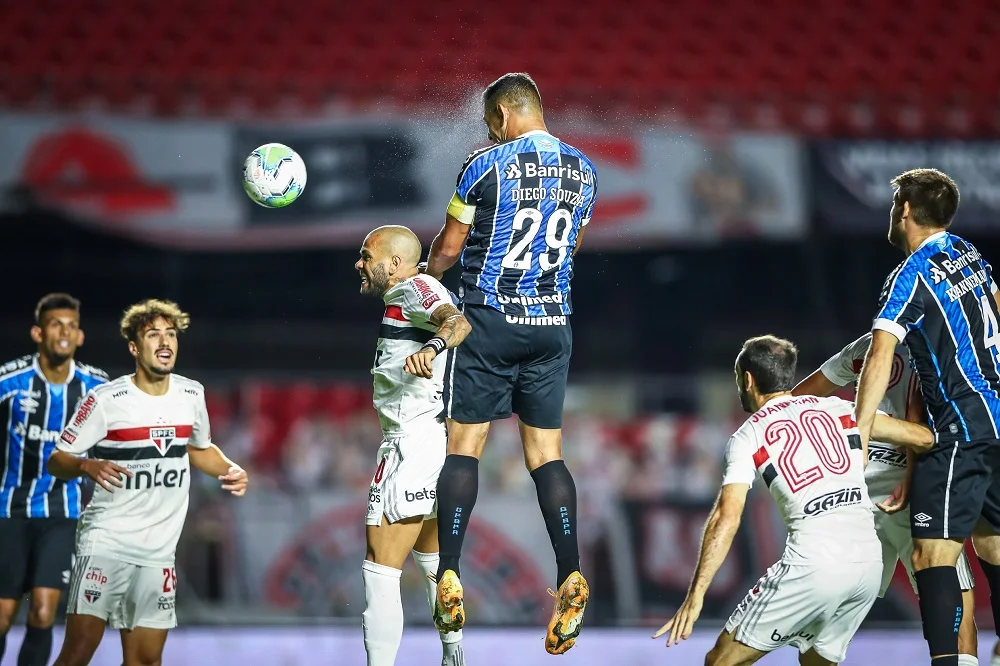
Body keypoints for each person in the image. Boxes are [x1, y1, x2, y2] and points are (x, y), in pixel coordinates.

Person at [424, 71, 598, 655]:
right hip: (553, 328)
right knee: (546, 455)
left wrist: (428, 275)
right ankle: (570, 571)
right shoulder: (585, 169)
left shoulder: (485, 163)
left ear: (501, 115)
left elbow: (449, 248)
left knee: (464, 446)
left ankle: (448, 569)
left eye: (488, 122)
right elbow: (567, 245)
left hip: (489, 323)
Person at [654, 335, 934, 665]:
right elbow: (925, 437)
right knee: (816, 660)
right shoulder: (843, 410)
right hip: (867, 567)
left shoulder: (749, 434)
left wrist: (695, 595)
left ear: (747, 379)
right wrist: (908, 472)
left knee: (721, 661)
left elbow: (725, 518)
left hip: (813, 563)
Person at [45, 299, 248, 666]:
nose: (165, 342)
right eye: (154, 334)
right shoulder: (106, 400)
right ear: (134, 347)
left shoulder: (191, 394)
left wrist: (229, 468)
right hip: (106, 543)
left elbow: (198, 449)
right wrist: (87, 467)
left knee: (146, 661)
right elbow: (57, 460)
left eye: (170, 334)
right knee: (77, 653)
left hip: (158, 555)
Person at [854, 169, 1000, 666]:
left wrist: (859, 430)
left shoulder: (910, 274)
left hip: (961, 427)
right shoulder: (967, 252)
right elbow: (997, 306)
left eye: (895, 203)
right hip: (998, 416)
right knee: (994, 544)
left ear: (906, 211)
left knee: (931, 556)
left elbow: (880, 354)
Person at [793, 332, 979, 666]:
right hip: (917, 486)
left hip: (857, 489)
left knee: (832, 609)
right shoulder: (949, 340)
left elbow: (799, 399)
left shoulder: (869, 344)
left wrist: (846, 427)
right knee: (951, 586)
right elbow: (929, 423)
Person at [356, 225, 472, 666]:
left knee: (380, 567)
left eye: (367, 256)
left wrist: (437, 344)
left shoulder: (412, 288)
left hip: (409, 445)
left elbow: (456, 321)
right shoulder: (411, 289)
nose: (360, 264)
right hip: (434, 442)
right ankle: (454, 655)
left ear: (396, 264)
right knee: (432, 561)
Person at [0, 293, 108, 666]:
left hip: (65, 514)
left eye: (71, 326)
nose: (65, 332)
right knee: (1, 615)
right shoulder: (9, 381)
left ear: (80, 337)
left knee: (43, 612)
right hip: (8, 510)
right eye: (56, 325)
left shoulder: (97, 388)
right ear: (37, 332)